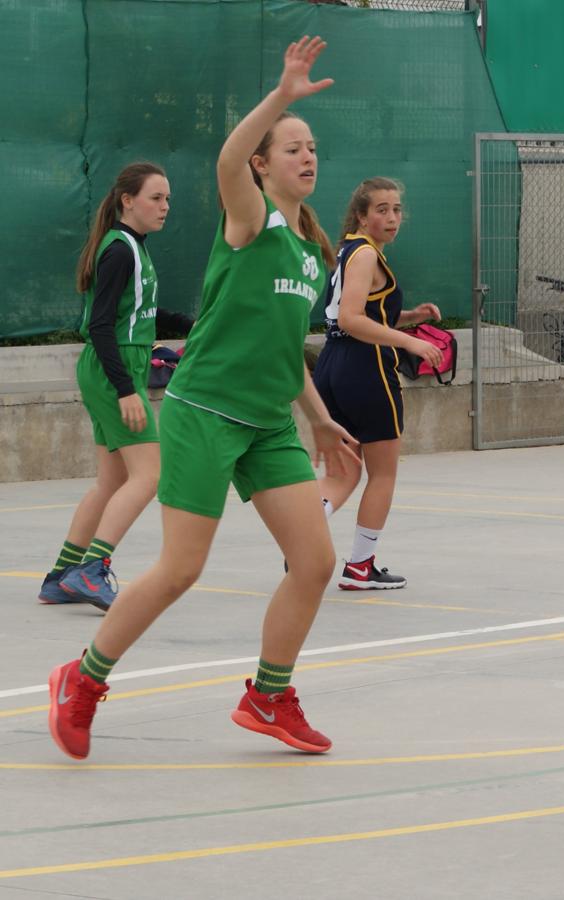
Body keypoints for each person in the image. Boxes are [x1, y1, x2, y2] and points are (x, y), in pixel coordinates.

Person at [47, 36, 360, 761]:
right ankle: (82, 680)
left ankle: (268, 695)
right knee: (182, 568)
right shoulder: (250, 221)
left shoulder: (312, 253)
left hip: (266, 423)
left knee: (313, 563)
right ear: (262, 163)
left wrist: (318, 420)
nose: (307, 157)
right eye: (291, 147)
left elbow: (285, 352)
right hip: (204, 412)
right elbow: (225, 159)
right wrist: (282, 94)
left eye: (312, 147)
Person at [39, 163, 193, 612]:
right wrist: (127, 389)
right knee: (151, 473)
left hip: (115, 367)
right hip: (114, 369)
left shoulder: (132, 247)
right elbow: (101, 326)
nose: (165, 207)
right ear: (128, 200)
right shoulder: (120, 250)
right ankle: (92, 568)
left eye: (167, 199)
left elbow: (140, 310)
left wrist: (189, 323)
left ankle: (62, 575)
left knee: (113, 480)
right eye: (156, 198)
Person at [310, 178, 442, 590]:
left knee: (344, 471)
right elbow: (352, 319)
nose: (392, 217)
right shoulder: (366, 255)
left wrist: (410, 316)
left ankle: (301, 539)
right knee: (381, 473)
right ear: (362, 216)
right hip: (365, 367)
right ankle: (360, 567)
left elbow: (351, 314)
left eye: (397, 209)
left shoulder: (348, 251)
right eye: (382, 209)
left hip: (331, 365)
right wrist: (410, 342)